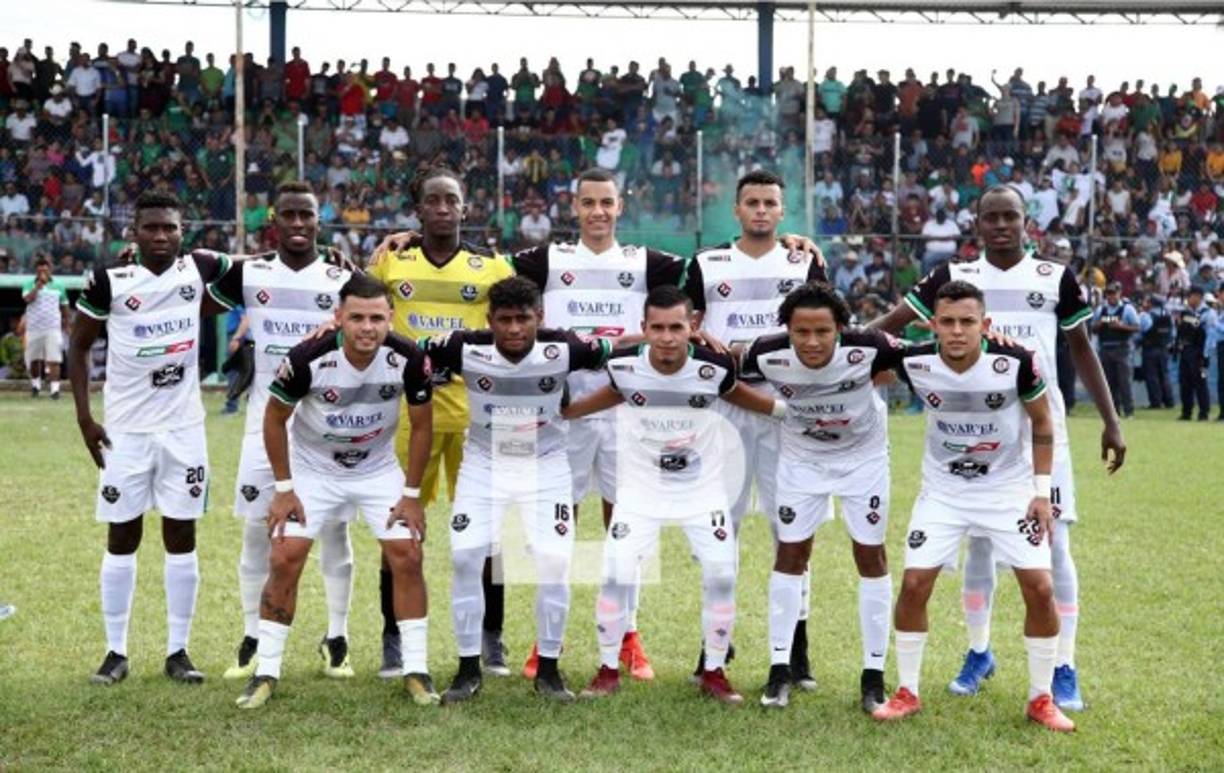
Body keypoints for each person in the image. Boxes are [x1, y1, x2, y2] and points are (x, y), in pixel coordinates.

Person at [871, 185, 1126, 712]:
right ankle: (979, 651)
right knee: (979, 546)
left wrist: (1110, 420)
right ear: (977, 223)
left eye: (1011, 216)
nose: (1002, 225)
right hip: (966, 434)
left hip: (1037, 431)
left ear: (1027, 221)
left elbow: (1081, 349)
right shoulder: (952, 278)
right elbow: (891, 326)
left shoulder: (1055, 277)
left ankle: (1063, 666)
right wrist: (832, 346)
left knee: (1053, 550)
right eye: (992, 217)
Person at [871, 280, 1074, 733]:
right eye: (948, 322)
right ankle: (907, 691)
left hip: (1008, 490)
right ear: (933, 324)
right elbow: (851, 350)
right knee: (915, 584)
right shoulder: (913, 360)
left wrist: (1042, 492)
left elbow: (1042, 422)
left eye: (968, 322)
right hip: (944, 492)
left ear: (986, 325)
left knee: (1040, 587)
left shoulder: (1016, 361)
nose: (958, 331)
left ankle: (1041, 698)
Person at [565, 285, 784, 704]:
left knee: (722, 573)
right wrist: (567, 412)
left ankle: (715, 671)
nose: (667, 337)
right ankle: (608, 669)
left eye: (676, 327)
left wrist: (787, 413)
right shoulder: (624, 365)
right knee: (615, 571)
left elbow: (741, 396)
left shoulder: (715, 365)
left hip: (702, 491)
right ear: (644, 328)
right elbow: (610, 394)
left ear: (693, 328)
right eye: (658, 328)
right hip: (641, 490)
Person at [235, 273, 436, 709]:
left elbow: (422, 425)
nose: (368, 327)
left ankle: (416, 670)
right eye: (357, 317)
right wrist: (285, 490)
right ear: (339, 317)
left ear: (391, 318)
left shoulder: (409, 357)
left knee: (408, 553)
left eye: (377, 318)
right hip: (313, 468)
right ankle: (266, 672)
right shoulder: (308, 356)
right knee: (284, 556)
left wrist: (411, 494)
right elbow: (273, 419)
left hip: (377, 467)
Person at [68, 192, 232, 685]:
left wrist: (327, 254)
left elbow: (259, 265)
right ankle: (115, 652)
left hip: (184, 430)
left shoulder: (197, 271)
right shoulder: (109, 281)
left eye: (170, 228)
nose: (161, 236)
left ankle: (178, 652)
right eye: (151, 228)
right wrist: (84, 420)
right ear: (134, 234)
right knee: (123, 535)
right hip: (126, 433)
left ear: (183, 233)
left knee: (182, 534)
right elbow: (77, 348)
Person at [423, 277, 611, 704]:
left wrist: (688, 332)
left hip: (545, 466)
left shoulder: (565, 347)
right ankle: (468, 668)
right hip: (484, 464)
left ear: (539, 318)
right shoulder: (463, 347)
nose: (513, 330)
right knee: (466, 555)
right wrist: (334, 328)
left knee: (554, 559)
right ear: (488, 320)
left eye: (522, 319)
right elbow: (400, 345)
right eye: (503, 320)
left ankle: (548, 669)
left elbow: (626, 349)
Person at [205, 182, 357, 682]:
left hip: (326, 421)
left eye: (307, 215)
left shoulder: (341, 275)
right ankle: (252, 634)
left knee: (334, 529)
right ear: (273, 217)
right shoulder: (251, 272)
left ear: (319, 219)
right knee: (256, 530)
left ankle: (337, 637)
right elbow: (194, 270)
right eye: (289, 214)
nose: (298, 223)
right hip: (263, 421)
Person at [366, 167, 514, 677]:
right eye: (433, 200)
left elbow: (520, 320)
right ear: (419, 210)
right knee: (402, 528)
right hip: (413, 414)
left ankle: (493, 638)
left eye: (452, 200)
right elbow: (360, 304)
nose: (443, 208)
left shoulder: (490, 268)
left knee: (490, 533)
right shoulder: (391, 261)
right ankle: (394, 638)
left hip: (480, 414)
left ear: (465, 208)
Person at [683, 169, 827, 686]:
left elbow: (825, 328)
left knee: (792, 530)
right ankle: (713, 646)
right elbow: (685, 327)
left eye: (770, 202)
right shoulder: (706, 263)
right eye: (752, 202)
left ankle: (797, 652)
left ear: (783, 211)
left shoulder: (805, 260)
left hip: (790, 410)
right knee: (722, 530)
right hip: (725, 411)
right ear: (737, 211)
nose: (761, 210)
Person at [739, 282, 901, 712]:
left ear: (842, 329)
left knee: (870, 555)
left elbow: (931, 353)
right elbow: (717, 364)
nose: (811, 342)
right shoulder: (763, 351)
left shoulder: (871, 345)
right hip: (801, 460)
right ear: (786, 330)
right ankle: (779, 671)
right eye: (801, 332)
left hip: (863, 460)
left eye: (823, 332)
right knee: (791, 553)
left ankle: (873, 676)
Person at [21, 255, 68, 399]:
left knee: (54, 359)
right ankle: (36, 386)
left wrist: (67, 324)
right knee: (34, 360)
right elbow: (27, 299)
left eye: (45, 268)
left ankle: (55, 391)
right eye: (40, 268)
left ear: (50, 269)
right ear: (36, 270)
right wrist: (38, 286)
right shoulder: (29, 284)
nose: (43, 271)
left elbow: (64, 306)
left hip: (52, 328)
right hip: (34, 328)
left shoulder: (59, 286)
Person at [1092, 282, 1140, 418]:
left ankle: (1129, 411)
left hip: (1122, 348)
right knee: (1109, 382)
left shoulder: (1127, 309)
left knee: (1124, 382)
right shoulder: (1101, 309)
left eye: (1113, 293)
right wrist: (1099, 325)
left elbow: (1136, 327)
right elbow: (1093, 329)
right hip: (1105, 348)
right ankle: (1114, 411)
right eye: (1109, 294)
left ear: (1119, 293)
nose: (1111, 297)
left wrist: (1121, 326)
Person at [1175, 286, 1212, 421]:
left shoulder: (1207, 313)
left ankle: (1204, 412)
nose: (1188, 299)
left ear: (1197, 296)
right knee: (1185, 382)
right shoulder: (1186, 312)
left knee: (1200, 382)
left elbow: (1207, 333)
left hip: (1199, 351)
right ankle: (1186, 412)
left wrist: (1205, 354)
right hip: (1186, 350)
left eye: (1190, 296)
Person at [1138, 293, 1176, 409]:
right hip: (1164, 349)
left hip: (1149, 349)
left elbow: (1140, 332)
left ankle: (1156, 402)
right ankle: (1169, 401)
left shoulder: (1146, 316)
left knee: (1152, 376)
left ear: (1151, 304)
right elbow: (1173, 334)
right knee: (1164, 375)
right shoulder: (1168, 316)